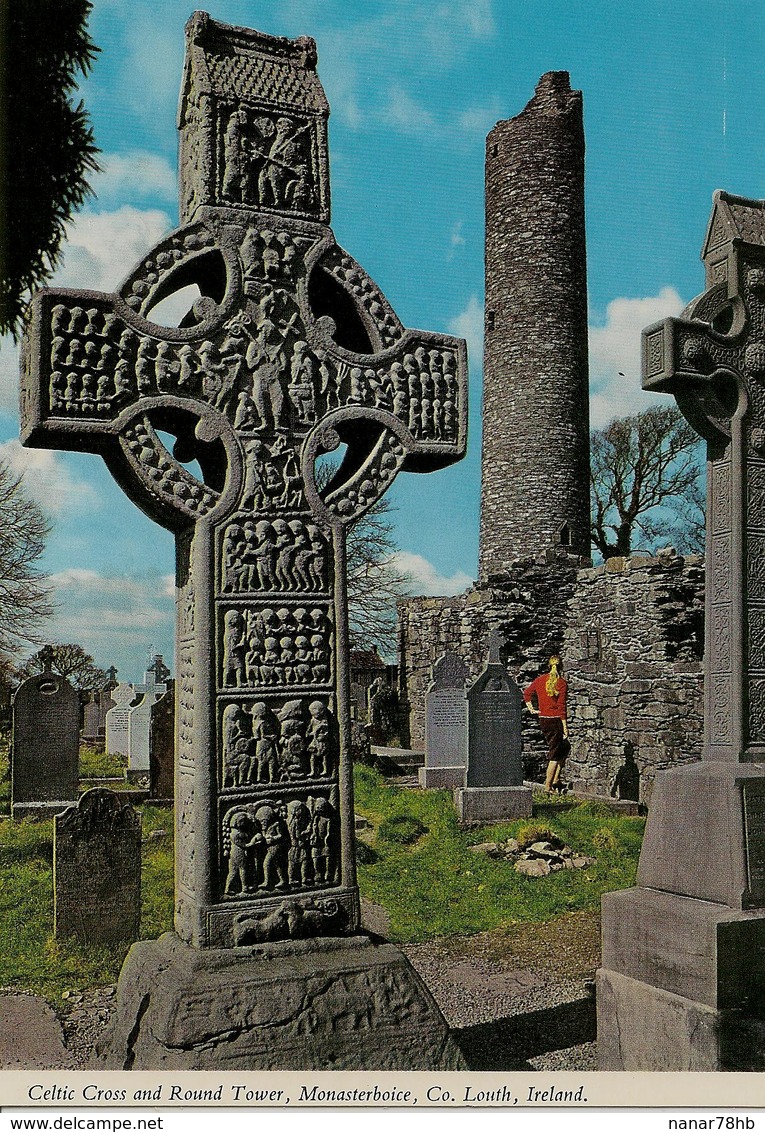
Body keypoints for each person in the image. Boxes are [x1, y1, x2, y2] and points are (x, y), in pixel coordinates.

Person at [523, 655, 570, 794]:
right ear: (561, 667)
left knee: (565, 747)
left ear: (548, 666)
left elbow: (526, 694)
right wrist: (565, 728)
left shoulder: (540, 680)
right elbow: (561, 708)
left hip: (544, 719)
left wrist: (532, 709)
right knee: (555, 754)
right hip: (555, 721)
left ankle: (556, 779)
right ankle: (548, 787)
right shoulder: (561, 683)